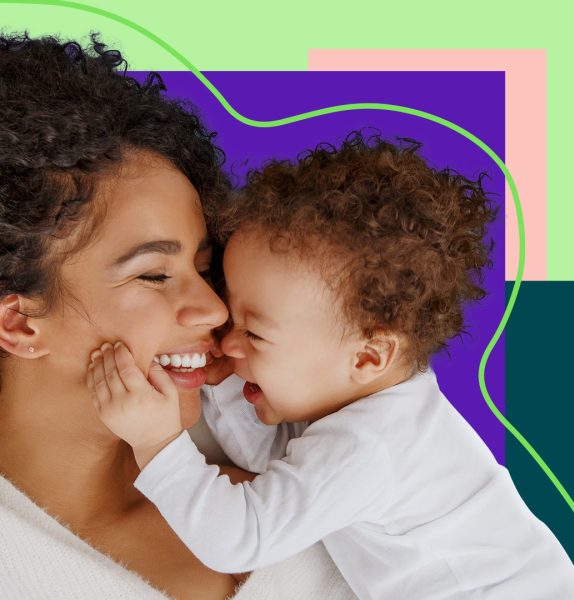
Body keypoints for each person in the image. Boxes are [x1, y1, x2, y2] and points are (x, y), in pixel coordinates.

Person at [89, 135, 574, 600]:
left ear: (369, 356)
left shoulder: (370, 444)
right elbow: (277, 472)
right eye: (233, 314)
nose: (225, 337)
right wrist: (223, 385)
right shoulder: (363, 398)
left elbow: (242, 537)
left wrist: (156, 443)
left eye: (254, 332)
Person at [0, 33, 355, 599]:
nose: (215, 308)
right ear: (19, 324)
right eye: (153, 275)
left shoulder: (305, 462)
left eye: (204, 267)